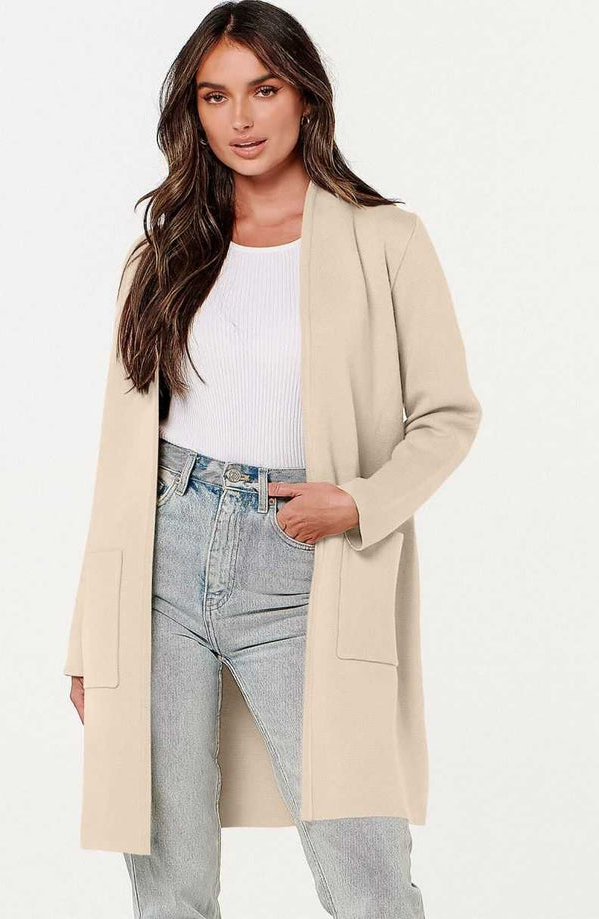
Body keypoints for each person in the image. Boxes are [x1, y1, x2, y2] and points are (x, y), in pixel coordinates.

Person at [64, 2, 482, 917]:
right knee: (169, 878)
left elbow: (447, 416)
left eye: (264, 89)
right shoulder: (164, 251)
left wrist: (358, 503)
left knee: (365, 870)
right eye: (215, 96)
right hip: (162, 562)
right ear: (193, 111)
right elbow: (119, 458)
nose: (241, 119)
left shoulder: (386, 239)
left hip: (306, 562)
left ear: (305, 97)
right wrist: (89, 631)